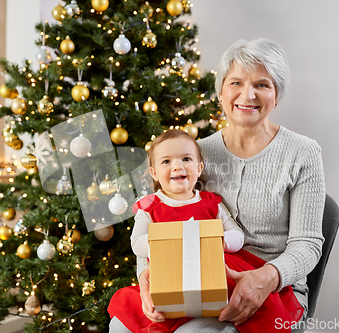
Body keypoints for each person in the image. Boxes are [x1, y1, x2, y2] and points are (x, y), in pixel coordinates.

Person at [131, 38, 325, 333]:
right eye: (236, 82)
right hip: (198, 279)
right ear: (221, 92)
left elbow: (308, 245)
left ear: (277, 95)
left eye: (262, 84)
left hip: (274, 288)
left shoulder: (303, 152)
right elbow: (158, 222)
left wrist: (266, 278)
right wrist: (147, 276)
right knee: (122, 325)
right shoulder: (195, 154)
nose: (248, 95)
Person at [108, 129, 305, 333]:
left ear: (200, 167)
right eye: (166, 162)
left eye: (186, 159)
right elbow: (137, 241)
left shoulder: (210, 202)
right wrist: (159, 246)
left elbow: (237, 235)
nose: (177, 166)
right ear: (154, 173)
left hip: (212, 266)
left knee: (233, 301)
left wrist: (218, 241)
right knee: (125, 319)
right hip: (169, 271)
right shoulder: (149, 207)